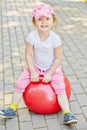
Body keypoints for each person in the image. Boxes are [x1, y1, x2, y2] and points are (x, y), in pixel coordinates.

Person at [0, 3, 78, 125]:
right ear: (34, 21)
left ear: (53, 21)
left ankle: (67, 113)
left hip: (52, 68)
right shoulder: (32, 37)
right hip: (35, 67)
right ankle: (12, 108)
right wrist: (32, 71)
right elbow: (28, 55)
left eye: (47, 19)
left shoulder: (55, 38)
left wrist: (50, 73)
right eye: (40, 19)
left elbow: (58, 58)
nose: (43, 22)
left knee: (60, 87)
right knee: (20, 83)